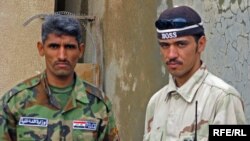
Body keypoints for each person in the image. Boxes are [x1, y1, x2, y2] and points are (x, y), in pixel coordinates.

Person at [0, 14, 120, 141]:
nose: (62, 56)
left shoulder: (99, 105)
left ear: (80, 50)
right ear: (41, 49)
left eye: (69, 47)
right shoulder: (15, 102)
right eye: (54, 46)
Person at [143, 5, 246, 141]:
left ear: (201, 44)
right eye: (165, 45)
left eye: (181, 44)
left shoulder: (223, 99)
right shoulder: (156, 103)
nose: (171, 54)